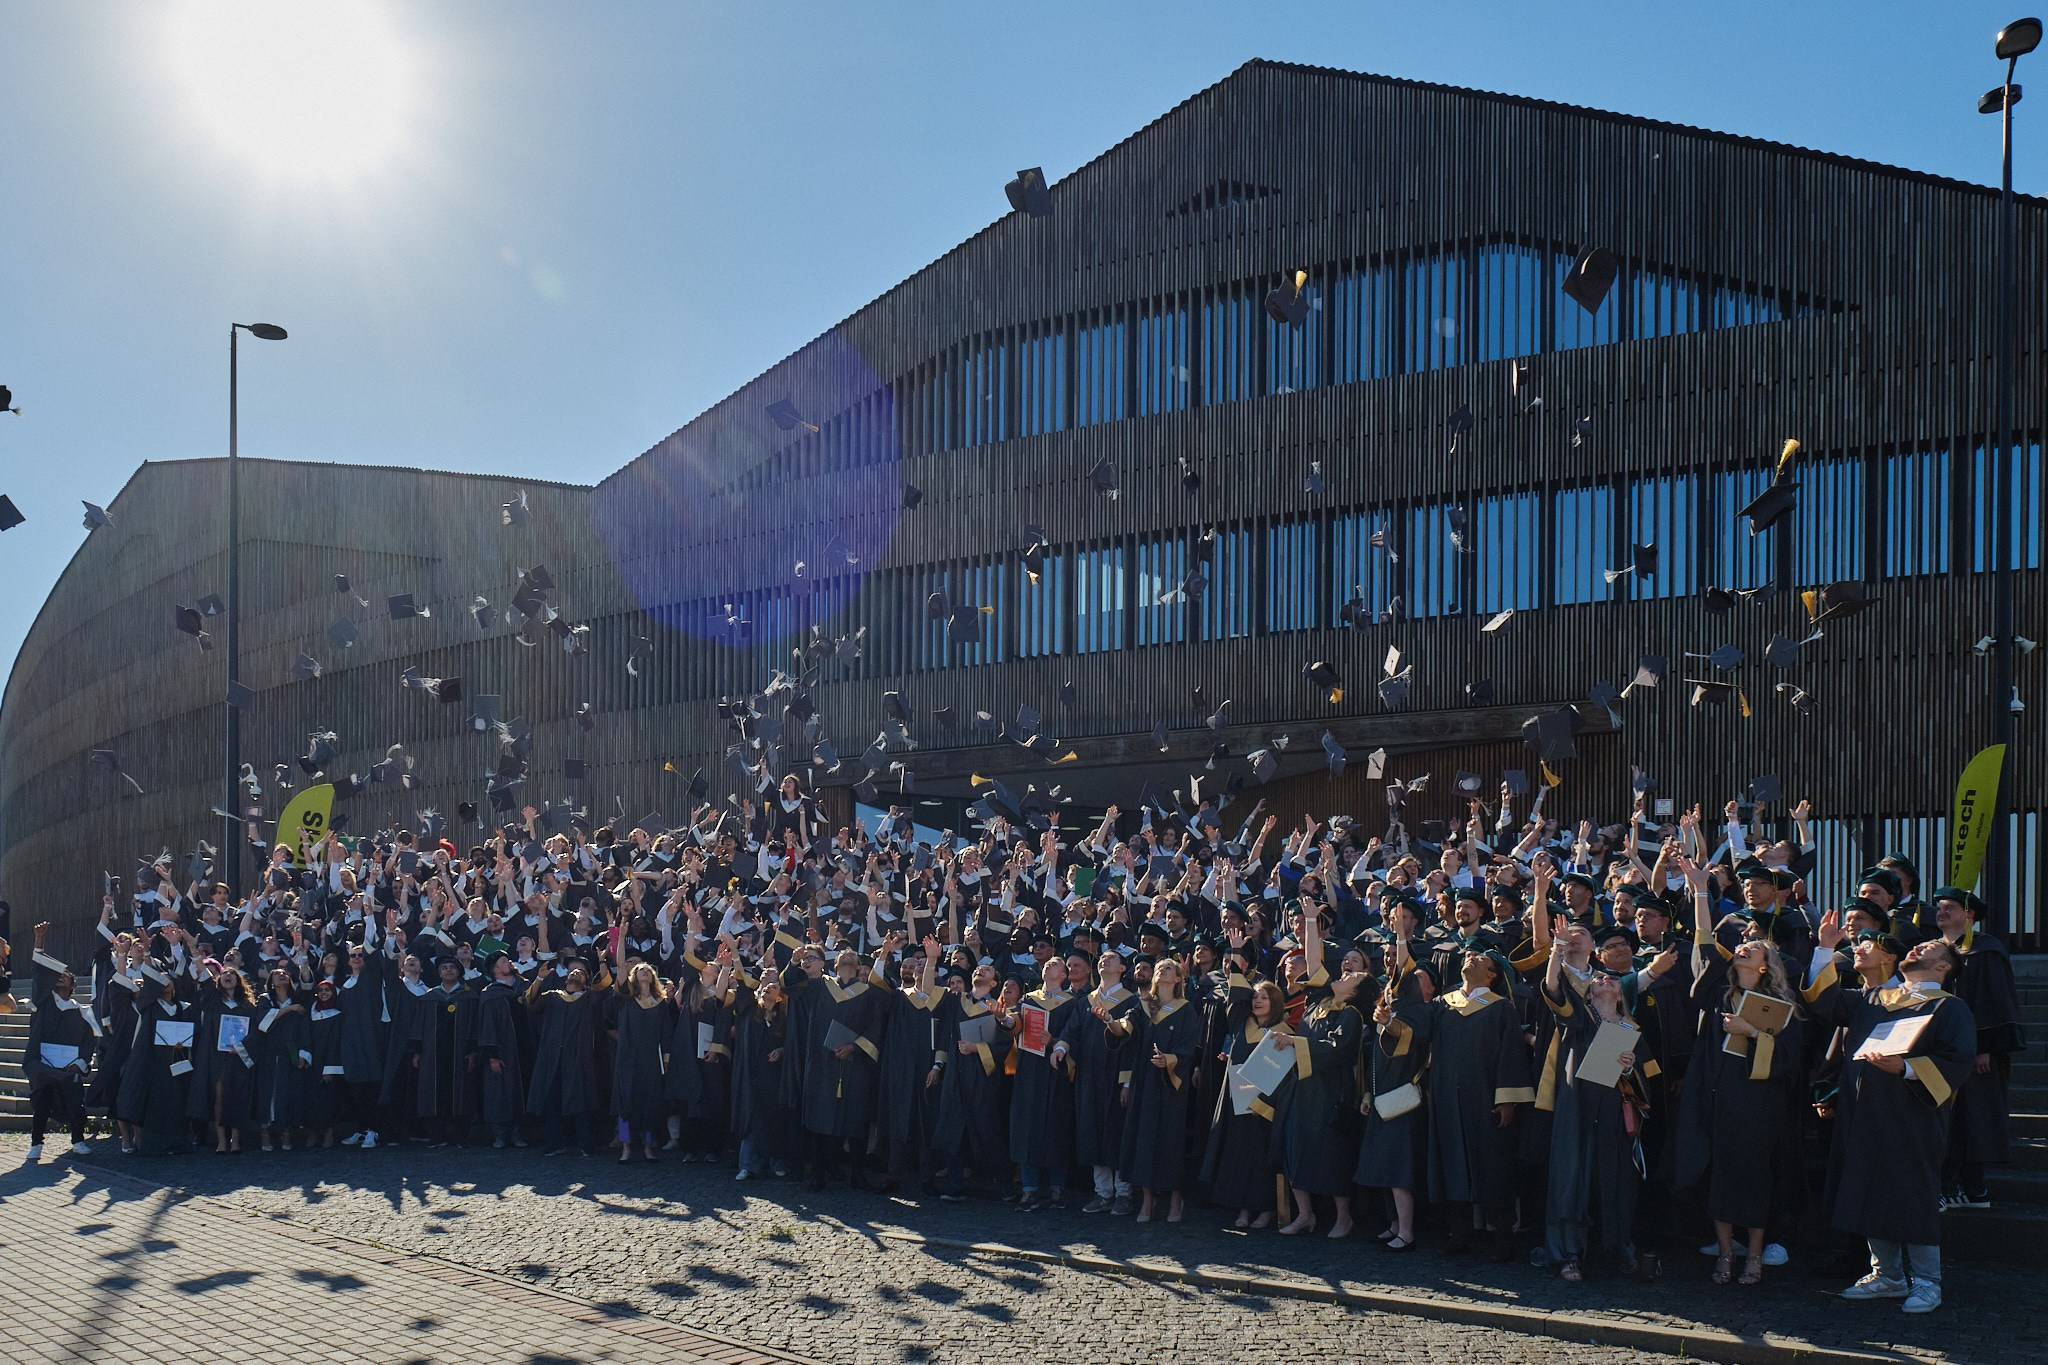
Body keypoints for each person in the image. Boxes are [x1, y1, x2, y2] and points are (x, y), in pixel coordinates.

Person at [1806, 910, 1976, 1314]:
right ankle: (1888, 1275)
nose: (1917, 945)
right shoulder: (1873, 999)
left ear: (1943, 966)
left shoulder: (1950, 1009)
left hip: (1912, 1115)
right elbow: (1823, 1001)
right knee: (1868, 1187)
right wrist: (1825, 948)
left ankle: (1928, 1282)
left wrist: (1905, 1068)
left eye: (1930, 947)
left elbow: (1959, 1061)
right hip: (1864, 1112)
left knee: (1912, 1192)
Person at [1416, 946, 1534, 1259]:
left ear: (1492, 975)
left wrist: (1507, 1099)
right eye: (1469, 955)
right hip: (1448, 1099)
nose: (1471, 956)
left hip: (1485, 1100)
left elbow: (1511, 1056)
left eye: (1480, 958)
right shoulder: (1444, 1005)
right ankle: (1460, 1234)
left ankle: (1503, 1238)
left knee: (1493, 1166)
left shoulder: (1501, 1008)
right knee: (1453, 1164)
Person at [1932, 886, 2024, 1209]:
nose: (1941, 912)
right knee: (1953, 1119)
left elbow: (1995, 1002)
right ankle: (1955, 1185)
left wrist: (1985, 1046)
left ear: (1968, 915)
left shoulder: (1986, 950)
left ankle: (1972, 1186)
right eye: (1938, 907)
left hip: (1978, 1054)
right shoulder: (1934, 951)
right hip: (1943, 1050)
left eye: (1949, 907)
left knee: (1976, 1116)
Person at [1119, 957, 1203, 1223]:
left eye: (1167, 968)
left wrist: (1171, 1059)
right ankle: (1147, 1199)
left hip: (1170, 1085)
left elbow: (1190, 1046)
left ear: (1178, 978)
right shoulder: (1142, 1005)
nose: (1160, 971)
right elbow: (1126, 1031)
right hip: (1145, 1082)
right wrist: (1110, 1021)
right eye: (1158, 968)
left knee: (1170, 1139)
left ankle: (1176, 1198)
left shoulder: (1186, 1010)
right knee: (1143, 1137)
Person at [23, 923, 96, 1160]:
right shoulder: (44, 1003)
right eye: (58, 977)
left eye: (65, 977)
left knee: (76, 1104)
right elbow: (39, 971)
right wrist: (39, 941)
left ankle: (77, 1140)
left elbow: (88, 1043)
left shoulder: (83, 1012)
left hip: (69, 1067)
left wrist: (81, 1063)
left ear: (73, 985)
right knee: (41, 1104)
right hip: (43, 1064)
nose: (60, 979)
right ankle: (36, 1144)